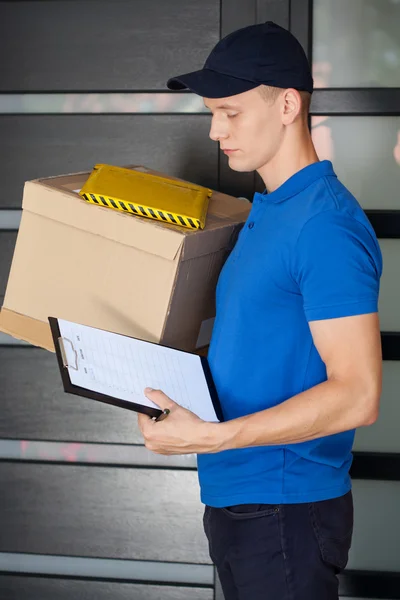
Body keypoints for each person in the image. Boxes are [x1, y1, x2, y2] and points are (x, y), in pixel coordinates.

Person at [138, 21, 383, 600]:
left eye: (230, 112)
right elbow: (255, 346)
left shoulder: (324, 226)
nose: (215, 130)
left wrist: (216, 437)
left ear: (288, 105)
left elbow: (358, 394)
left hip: (285, 510)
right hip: (242, 502)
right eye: (211, 113)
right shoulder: (267, 210)